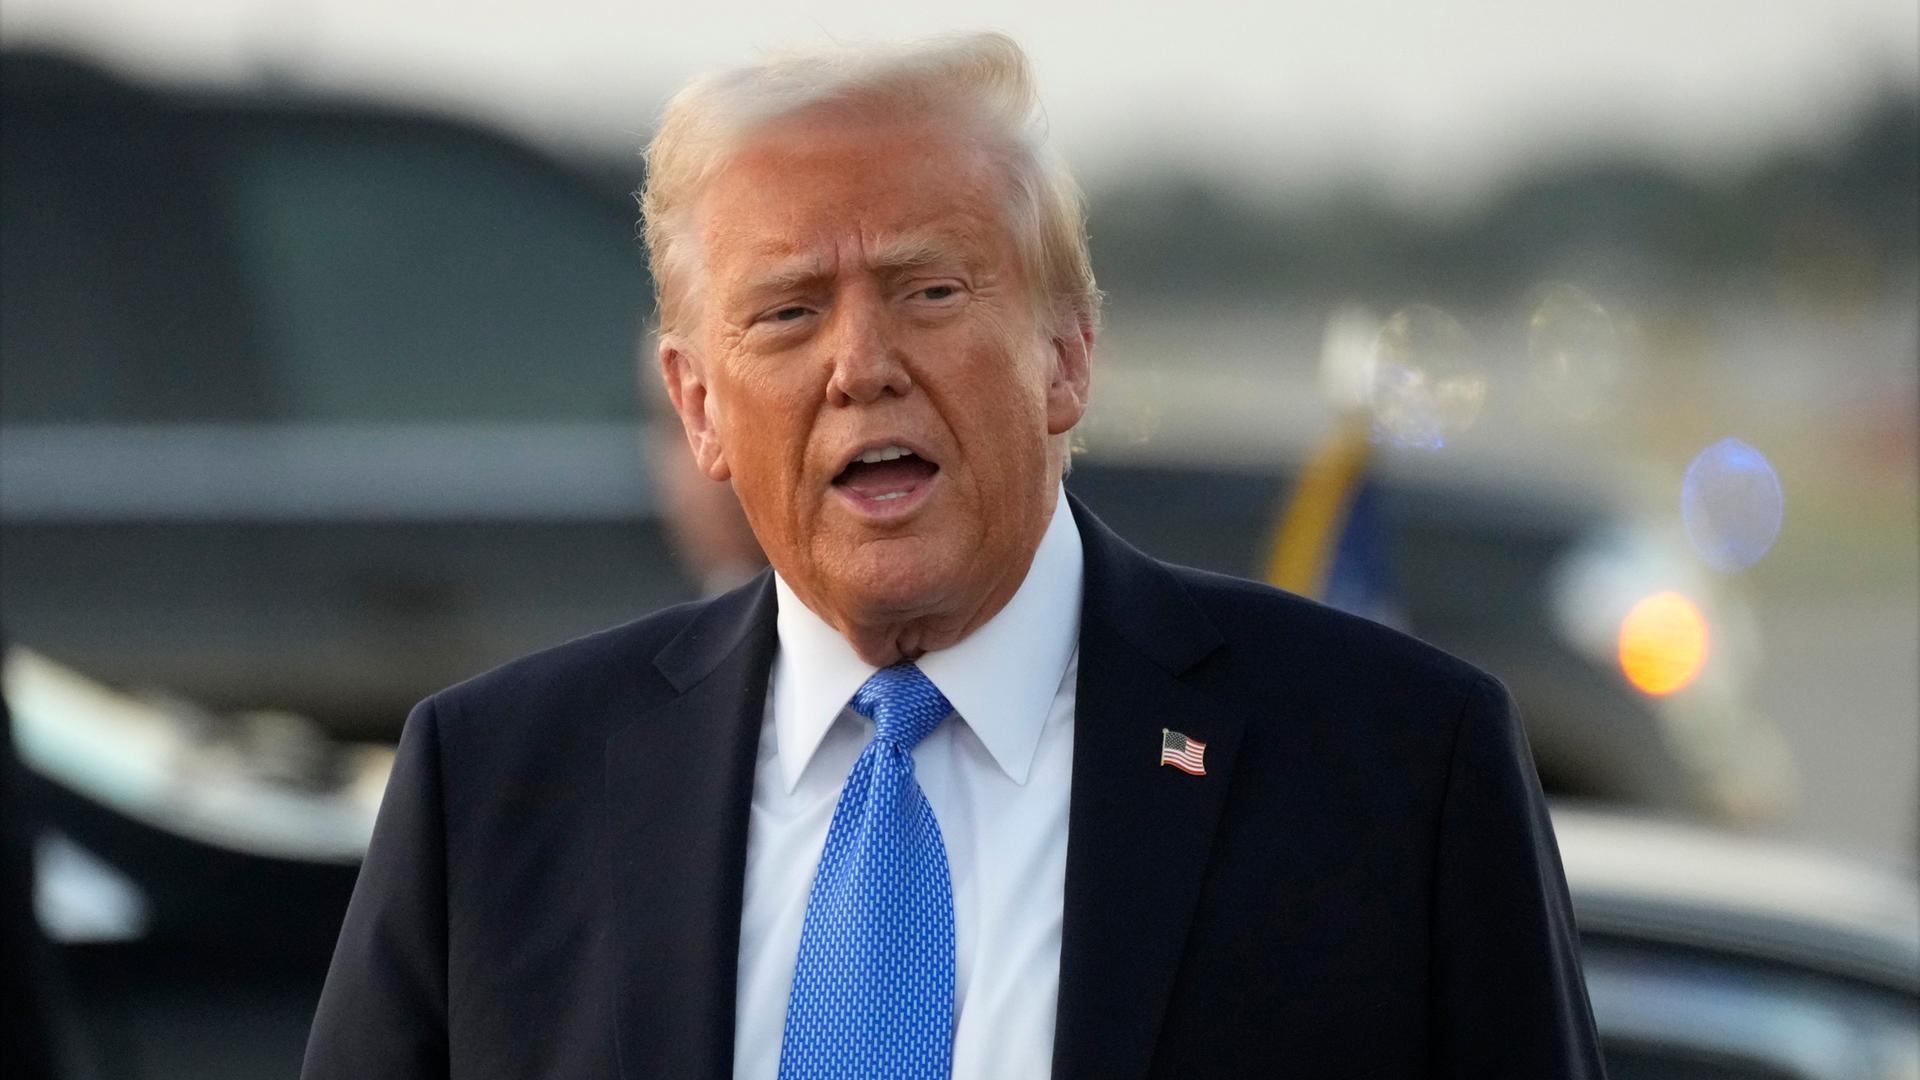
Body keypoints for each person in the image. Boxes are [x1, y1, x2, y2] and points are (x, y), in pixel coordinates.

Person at [302, 32, 1605, 1079]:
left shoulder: (1395, 766)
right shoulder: (494, 793)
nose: (863, 367)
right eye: (790, 312)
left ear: (1068, 356)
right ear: (697, 405)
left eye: (929, 291)